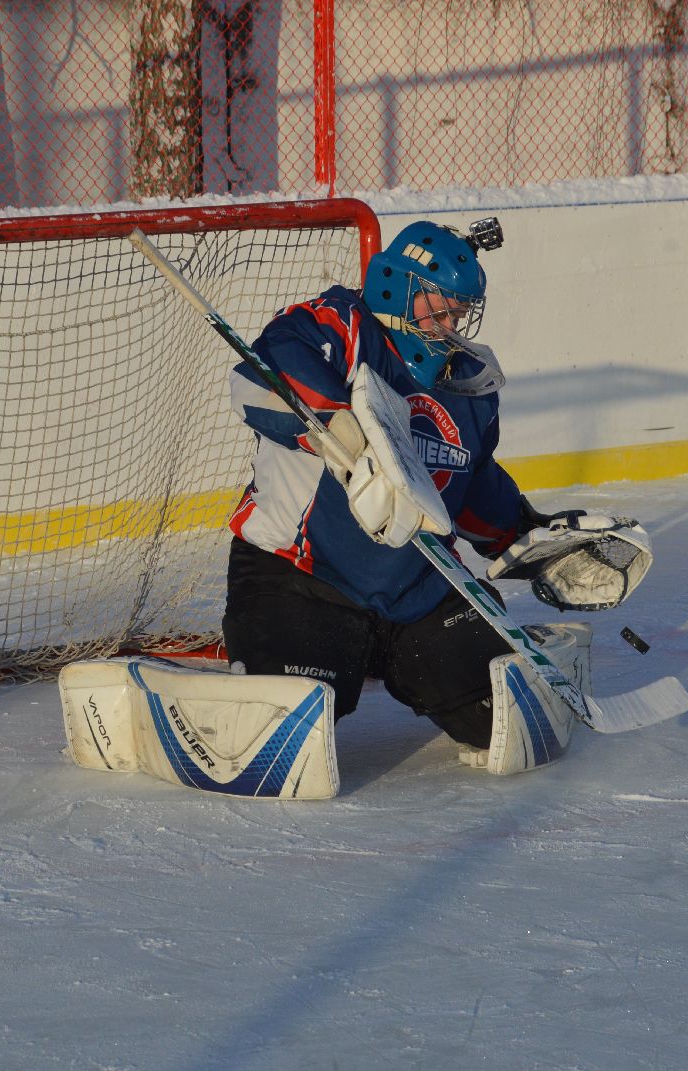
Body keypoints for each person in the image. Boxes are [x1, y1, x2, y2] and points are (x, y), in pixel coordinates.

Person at [220, 217, 554, 759]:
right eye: (437, 303)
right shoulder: (343, 327)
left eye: (460, 308)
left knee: (504, 727)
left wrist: (529, 539)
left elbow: (469, 484)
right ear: (394, 285)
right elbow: (263, 372)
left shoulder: (467, 381)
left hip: (418, 589)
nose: (450, 319)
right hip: (303, 578)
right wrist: (338, 427)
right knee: (285, 739)